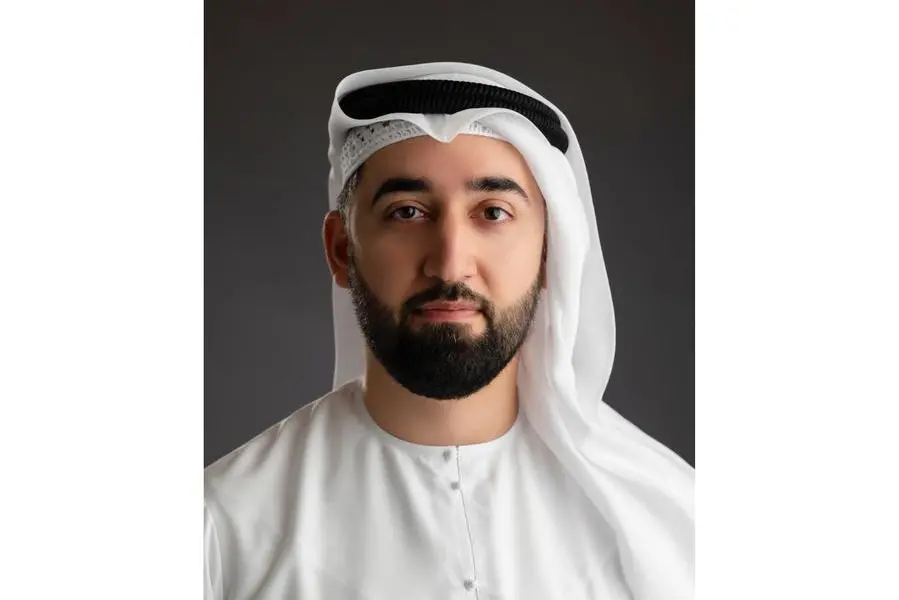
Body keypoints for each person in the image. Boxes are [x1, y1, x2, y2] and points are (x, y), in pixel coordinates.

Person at [204, 62, 694, 600]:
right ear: (342, 250)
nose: (450, 264)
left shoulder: (671, 528)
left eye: (493, 212)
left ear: (550, 251)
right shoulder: (225, 529)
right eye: (408, 212)